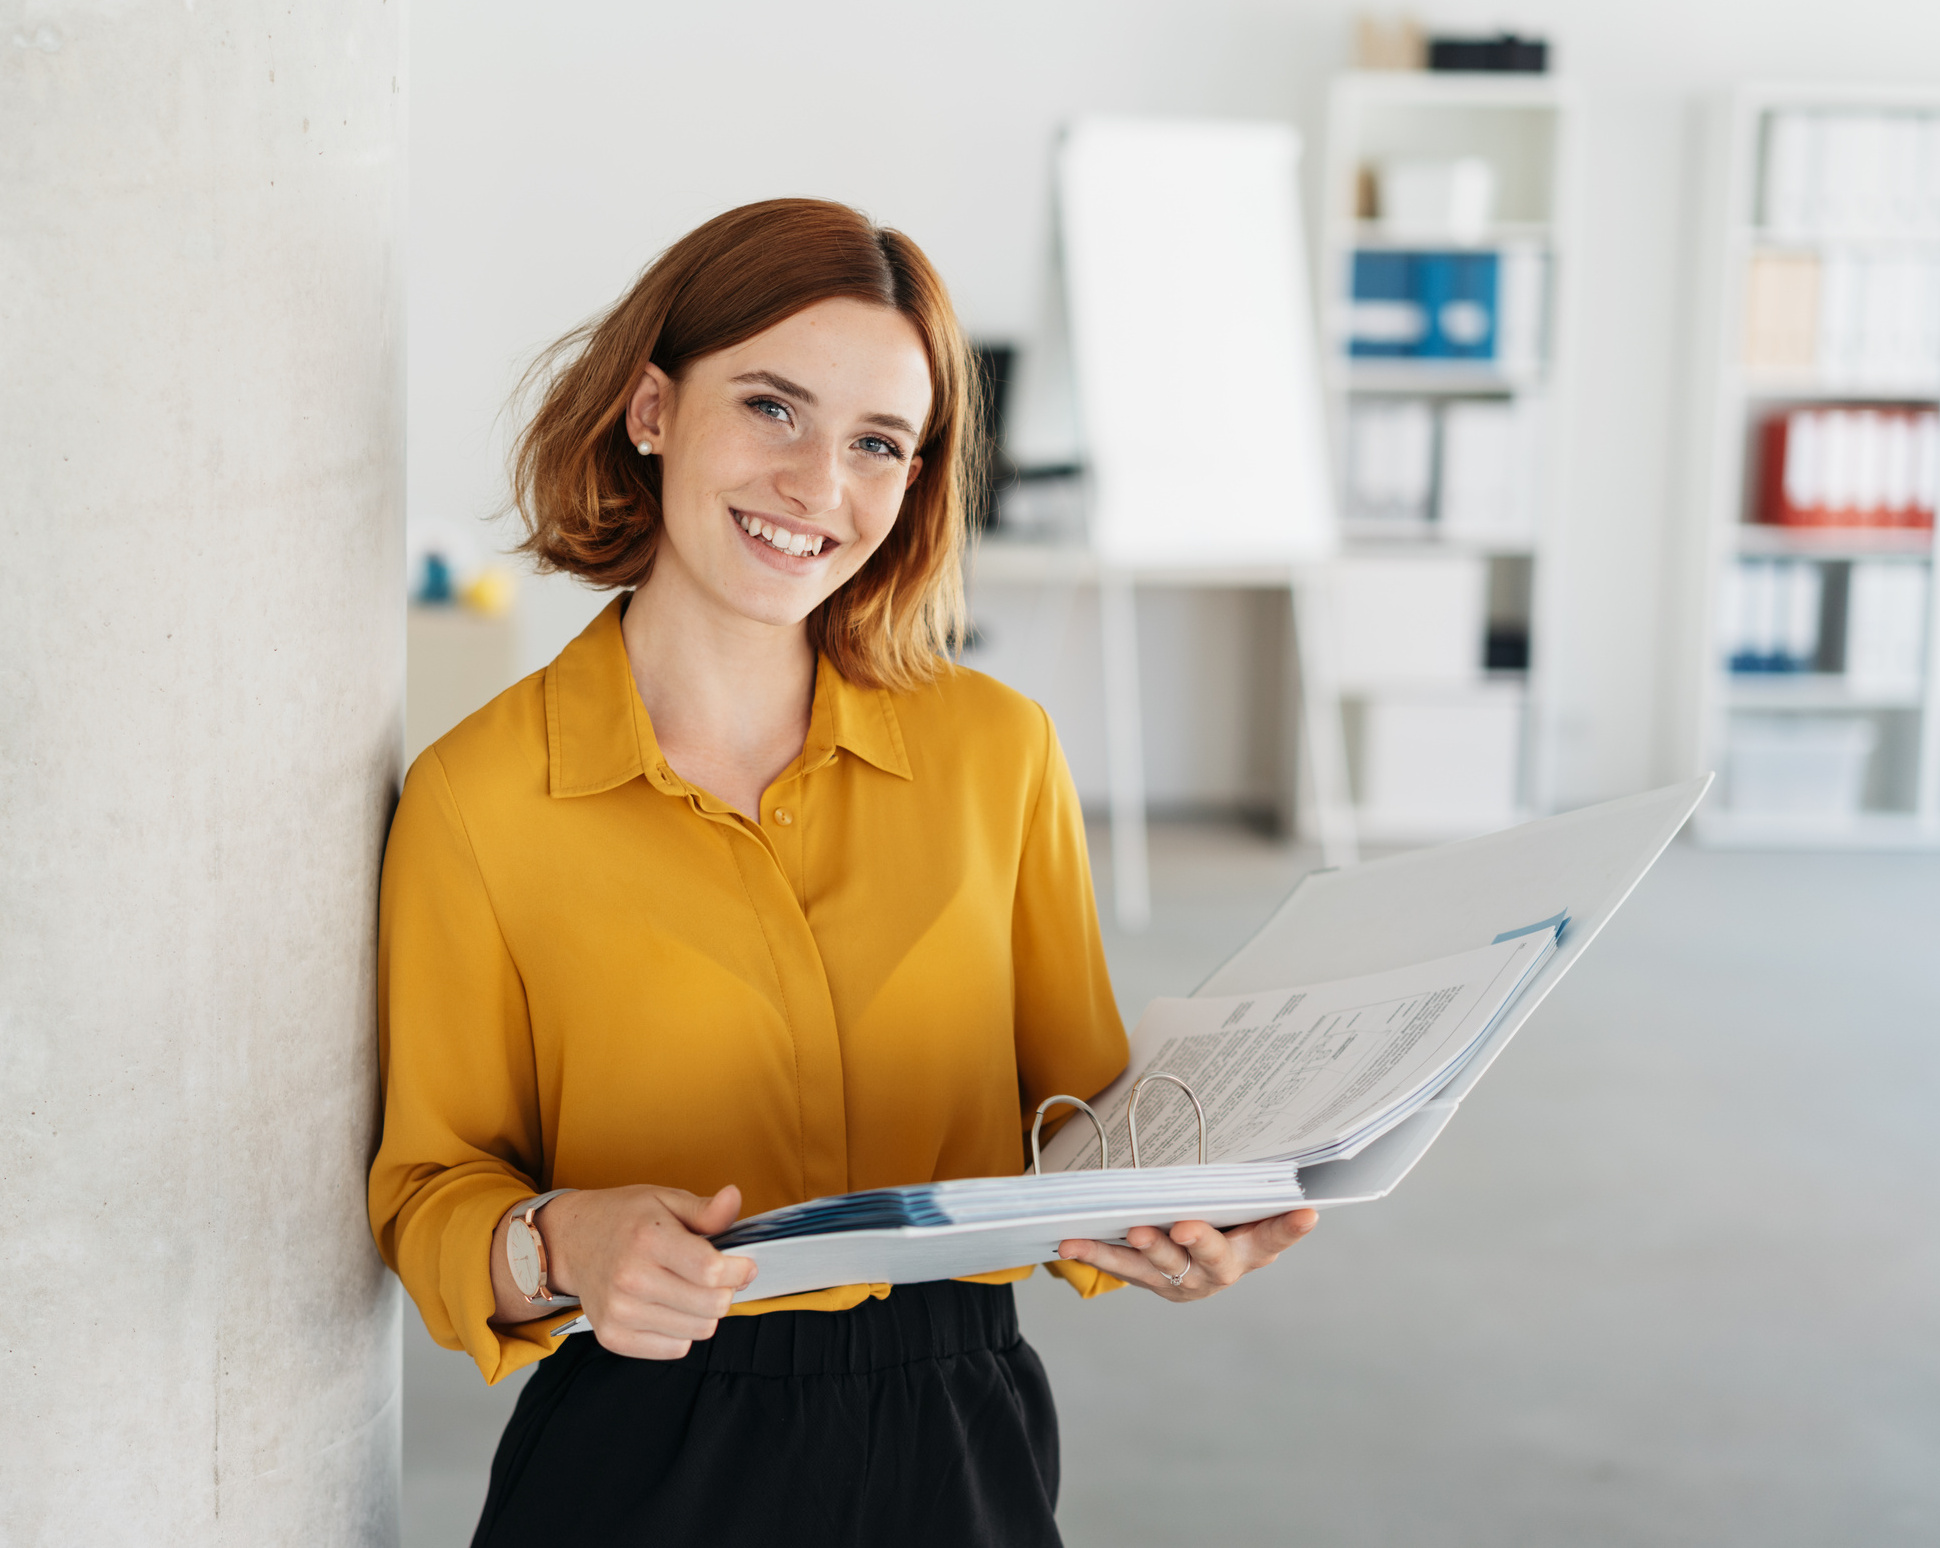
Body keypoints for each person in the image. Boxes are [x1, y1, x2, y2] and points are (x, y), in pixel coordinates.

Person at [368, 197, 1318, 1547]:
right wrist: (562, 1243)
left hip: (960, 1433)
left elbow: (1079, 1123)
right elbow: (428, 1187)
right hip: (642, 1448)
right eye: (772, 409)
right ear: (651, 410)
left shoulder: (1000, 754)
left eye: (880, 442)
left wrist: (1185, 1214)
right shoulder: (480, 799)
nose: (820, 487)